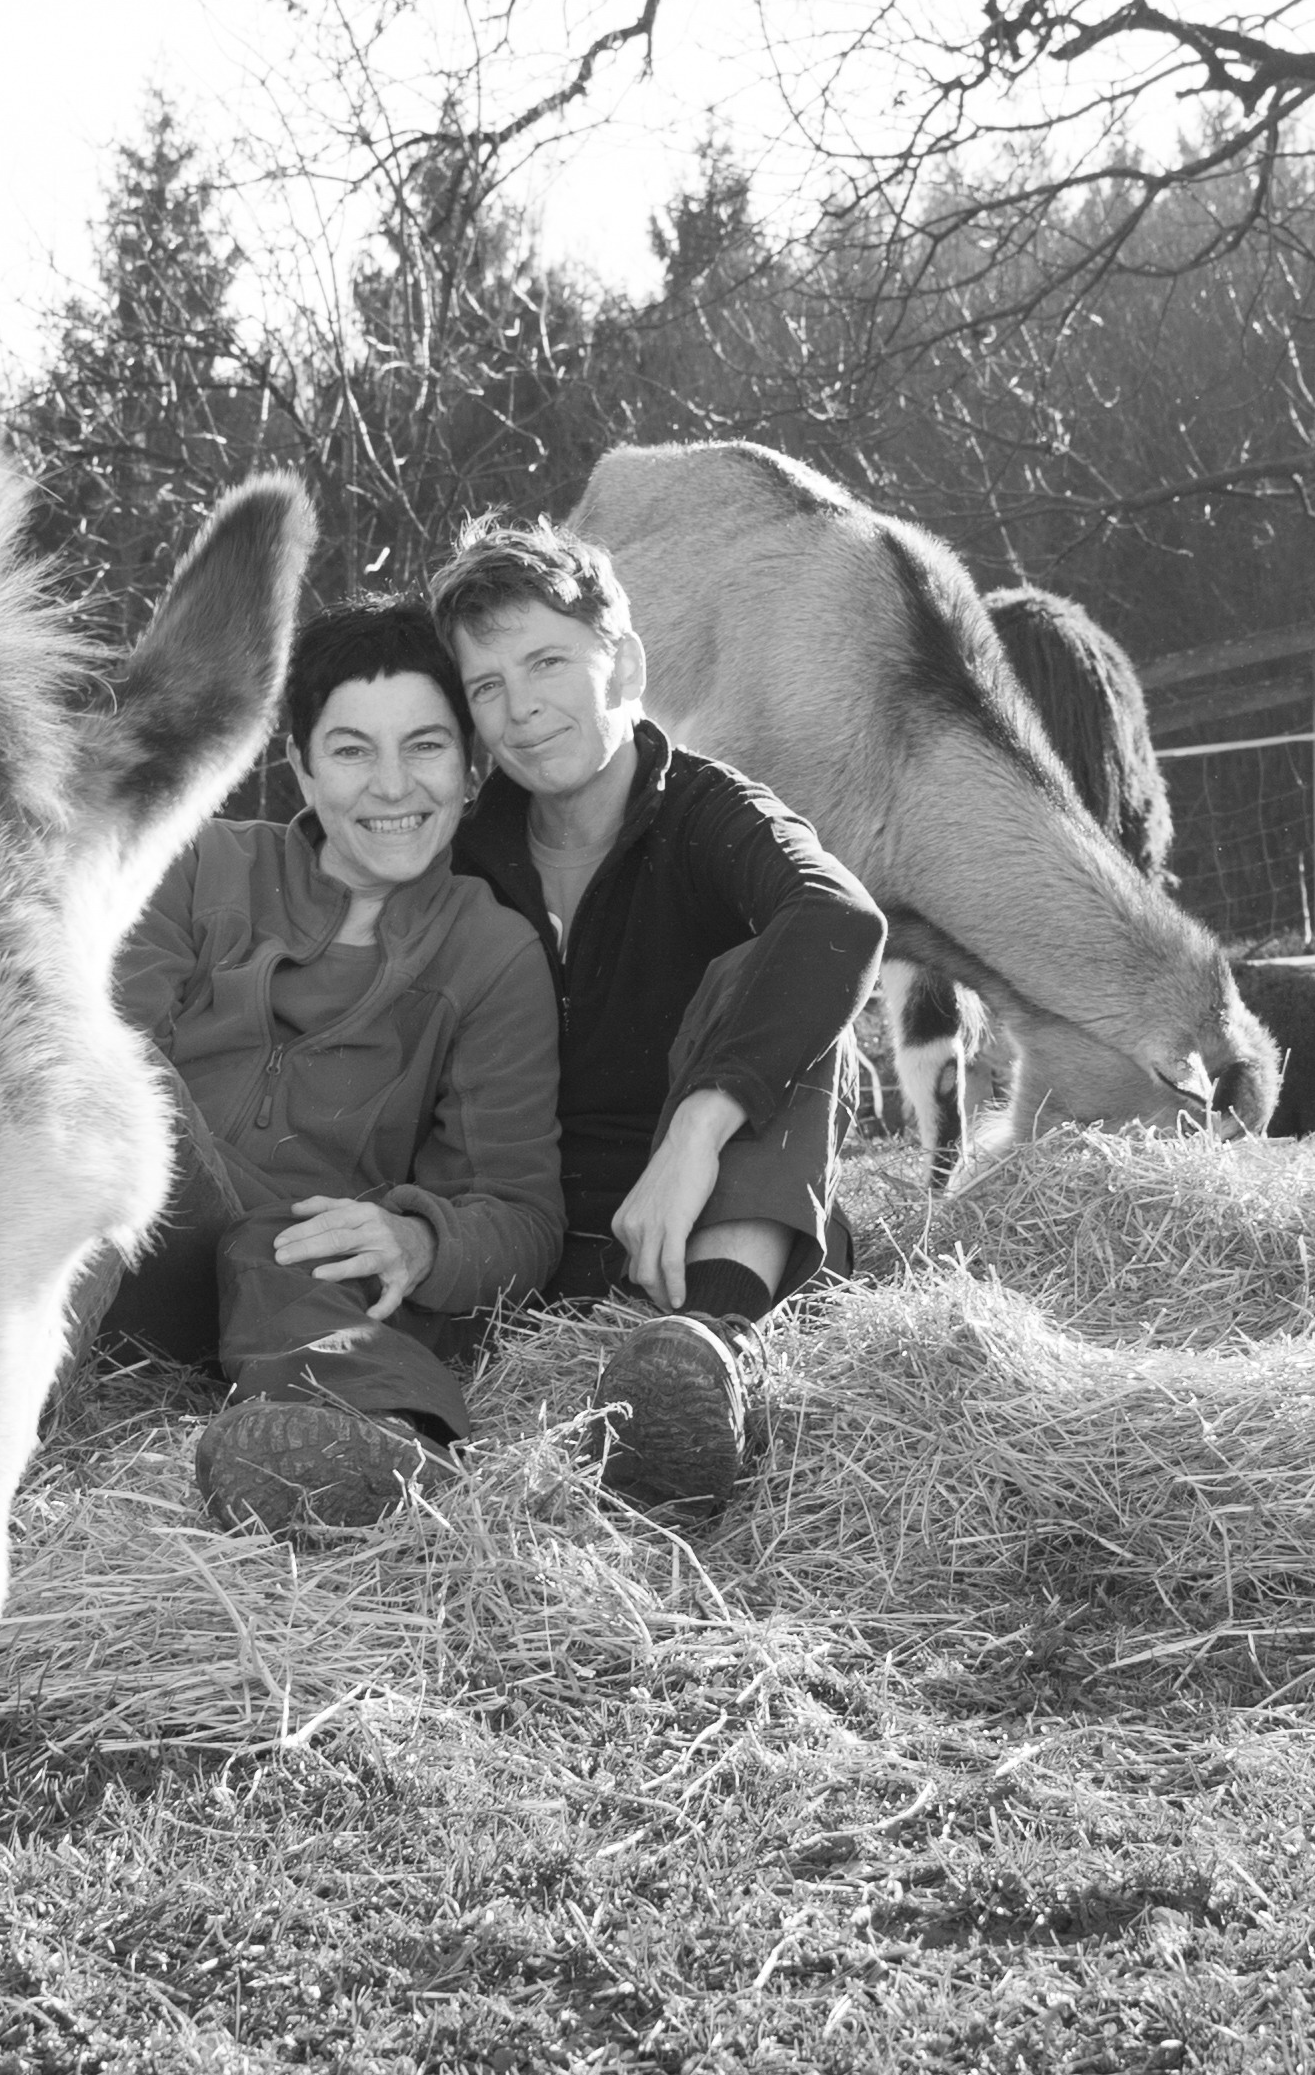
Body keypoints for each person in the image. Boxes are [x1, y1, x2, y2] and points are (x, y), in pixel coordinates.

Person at [427, 513, 885, 1508]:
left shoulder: (707, 812)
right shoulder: (462, 849)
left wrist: (694, 1134)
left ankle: (709, 1352)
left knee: (786, 961)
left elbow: (843, 919)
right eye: (485, 686)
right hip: (531, 1232)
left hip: (709, 1213)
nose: (521, 707)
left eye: (547, 662)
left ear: (623, 662)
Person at [102, 598, 563, 1539]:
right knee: (120, 1094)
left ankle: (377, 1442)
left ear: (471, 768)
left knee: (273, 1245)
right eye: (352, 751)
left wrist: (420, 1240)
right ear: (302, 767)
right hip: (135, 1231)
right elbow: (96, 1052)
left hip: (294, 1281)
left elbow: (520, 1214)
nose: (392, 786)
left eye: (424, 747)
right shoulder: (200, 866)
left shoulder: (492, 954)